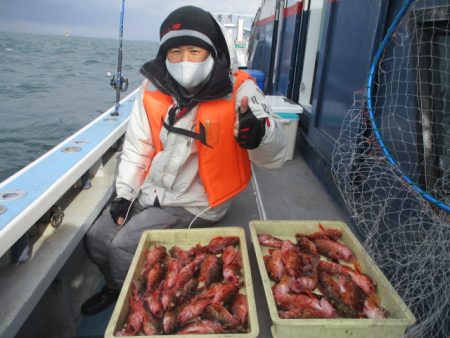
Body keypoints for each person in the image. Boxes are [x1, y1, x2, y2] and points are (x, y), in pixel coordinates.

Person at [81, 5, 287, 316]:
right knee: (96, 238)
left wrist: (257, 135)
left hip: (198, 200)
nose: (185, 61)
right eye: (176, 52)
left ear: (213, 52)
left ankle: (138, 308)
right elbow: (138, 146)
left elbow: (277, 155)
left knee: (123, 246)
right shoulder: (152, 87)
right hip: (151, 190)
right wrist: (124, 193)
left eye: (195, 50)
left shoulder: (241, 90)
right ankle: (115, 286)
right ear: (165, 54)